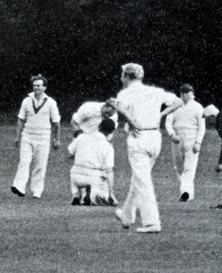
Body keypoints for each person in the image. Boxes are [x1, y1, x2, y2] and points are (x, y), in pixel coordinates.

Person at [113, 63, 183, 234]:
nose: (121, 78)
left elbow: (119, 107)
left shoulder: (126, 92)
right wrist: (162, 114)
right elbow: (178, 101)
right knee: (138, 179)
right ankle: (126, 216)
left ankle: (152, 222)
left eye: (122, 75)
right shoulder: (154, 91)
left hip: (139, 138)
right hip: (155, 138)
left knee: (143, 181)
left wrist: (131, 122)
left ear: (127, 77)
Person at [11, 75, 61, 198]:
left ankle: (37, 190)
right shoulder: (27, 101)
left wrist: (57, 139)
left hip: (43, 137)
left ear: (44, 87)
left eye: (39, 86)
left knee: (40, 165)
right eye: (34, 85)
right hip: (27, 136)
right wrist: (17, 137)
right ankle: (19, 187)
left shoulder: (50, 103)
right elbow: (21, 120)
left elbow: (56, 123)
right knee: (24, 162)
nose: (36, 88)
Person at [164, 84, 206, 202]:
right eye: (182, 92)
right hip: (177, 138)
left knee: (189, 168)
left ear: (192, 93)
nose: (184, 95)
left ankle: (186, 193)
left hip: (191, 138)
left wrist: (198, 142)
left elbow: (202, 127)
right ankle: (186, 191)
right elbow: (168, 122)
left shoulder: (198, 107)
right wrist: (172, 134)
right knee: (179, 167)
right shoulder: (175, 106)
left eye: (187, 92)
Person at [68, 118, 117, 206]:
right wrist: (111, 194)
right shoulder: (108, 146)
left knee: (77, 180)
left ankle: (77, 195)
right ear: (110, 132)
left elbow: (69, 155)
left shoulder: (82, 137)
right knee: (105, 190)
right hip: (93, 177)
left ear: (99, 127)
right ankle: (91, 197)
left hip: (75, 176)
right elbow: (109, 170)